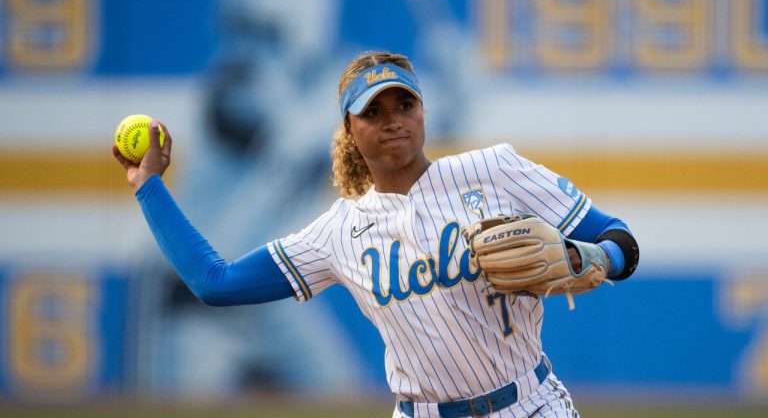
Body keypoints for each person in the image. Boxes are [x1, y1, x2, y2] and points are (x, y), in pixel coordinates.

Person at [113, 51, 639, 418]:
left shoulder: (495, 169)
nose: (393, 120)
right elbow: (215, 283)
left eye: (404, 104)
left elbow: (621, 240)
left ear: (423, 112)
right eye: (374, 111)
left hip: (532, 406)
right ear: (348, 130)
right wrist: (150, 187)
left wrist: (591, 256)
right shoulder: (339, 233)